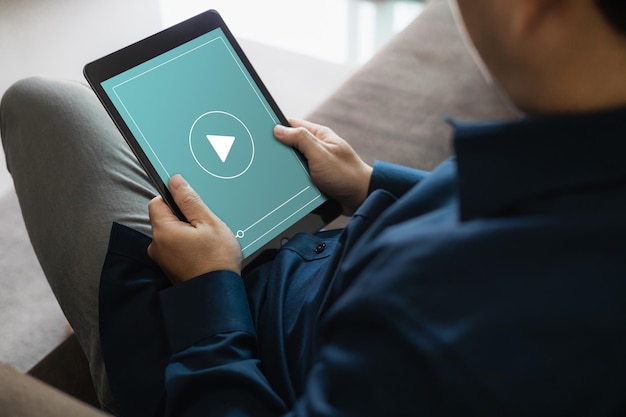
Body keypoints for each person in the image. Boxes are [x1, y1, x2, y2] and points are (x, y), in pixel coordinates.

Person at [2, 0, 626, 415]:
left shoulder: (427, 327)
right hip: (312, 260)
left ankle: (102, 346)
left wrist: (208, 286)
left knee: (40, 105)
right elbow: (502, 212)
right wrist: (370, 182)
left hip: (222, 335)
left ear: (534, 10)